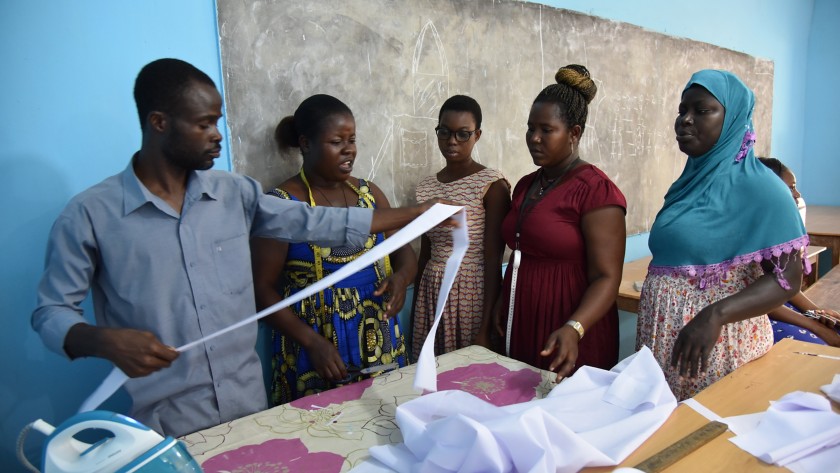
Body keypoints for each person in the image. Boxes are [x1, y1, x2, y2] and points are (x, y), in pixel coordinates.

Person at [31, 59, 449, 438]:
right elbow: (51, 312)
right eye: (203, 124)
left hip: (251, 411)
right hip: (167, 425)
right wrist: (103, 341)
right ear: (159, 123)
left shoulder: (235, 194)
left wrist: (425, 213)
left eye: (218, 122)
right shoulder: (90, 215)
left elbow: (318, 222)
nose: (217, 137)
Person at [636, 70, 809, 400]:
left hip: (718, 353)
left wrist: (715, 315)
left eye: (701, 111)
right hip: (665, 349)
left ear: (733, 119)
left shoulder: (763, 188)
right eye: (681, 110)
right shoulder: (688, 185)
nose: (685, 120)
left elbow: (788, 279)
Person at [252, 95, 414, 405]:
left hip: (377, 338)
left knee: (385, 429)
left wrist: (402, 279)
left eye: (352, 140)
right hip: (314, 348)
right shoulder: (281, 206)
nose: (349, 149)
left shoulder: (369, 195)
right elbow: (262, 290)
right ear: (306, 143)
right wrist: (311, 342)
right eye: (336, 141)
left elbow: (404, 253)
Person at [495, 64, 627, 380]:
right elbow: (519, 253)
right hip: (524, 320)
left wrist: (574, 327)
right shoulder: (526, 185)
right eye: (530, 128)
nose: (534, 138)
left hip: (571, 329)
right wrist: (502, 300)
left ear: (574, 133)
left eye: (546, 129)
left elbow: (607, 278)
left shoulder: (596, 191)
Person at [411, 95, 511, 359]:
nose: (451, 141)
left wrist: (486, 325)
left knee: (469, 373)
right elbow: (426, 252)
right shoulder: (426, 187)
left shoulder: (491, 184)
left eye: (462, 134)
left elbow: (492, 259)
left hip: (472, 292)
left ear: (477, 135)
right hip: (432, 289)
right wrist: (415, 313)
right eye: (444, 132)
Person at [756, 157, 840, 346]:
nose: (797, 194)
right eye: (791, 187)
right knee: (818, 345)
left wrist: (818, 313)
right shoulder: (749, 231)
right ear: (769, 189)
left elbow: (784, 284)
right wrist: (815, 327)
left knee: (835, 330)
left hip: (779, 304)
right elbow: (758, 297)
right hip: (756, 314)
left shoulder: (777, 224)